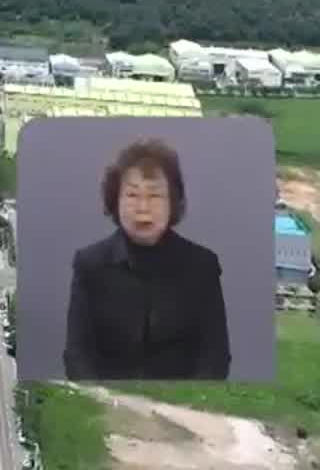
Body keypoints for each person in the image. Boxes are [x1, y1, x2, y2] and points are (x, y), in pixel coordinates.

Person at [63, 138, 229, 380]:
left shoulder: (202, 266)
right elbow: (77, 355)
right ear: (115, 201)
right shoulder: (90, 265)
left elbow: (215, 358)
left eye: (155, 196)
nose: (143, 207)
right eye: (132, 195)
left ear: (173, 203)